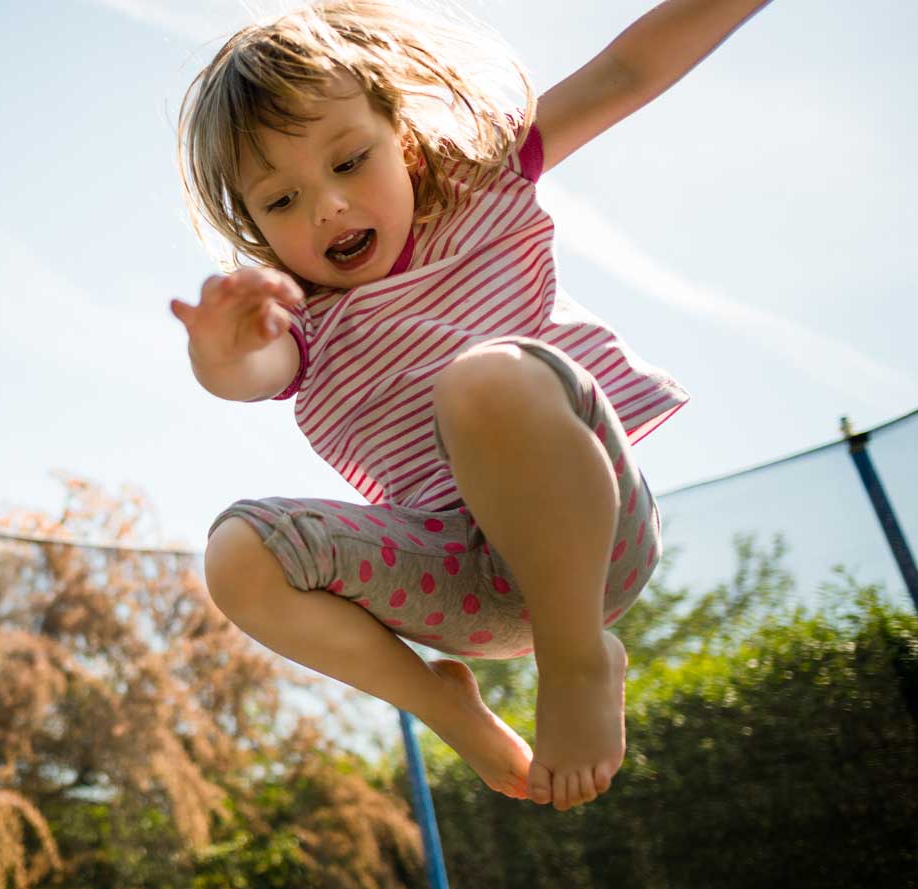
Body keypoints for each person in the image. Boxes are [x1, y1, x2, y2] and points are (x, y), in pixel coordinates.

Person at [170, 0, 768, 811]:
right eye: (282, 202)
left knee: (482, 380)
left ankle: (578, 656)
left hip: (590, 543)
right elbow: (248, 373)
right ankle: (447, 707)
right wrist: (221, 345)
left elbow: (626, 71)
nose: (327, 208)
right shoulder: (301, 319)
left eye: (349, 162)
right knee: (238, 553)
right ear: (258, 229)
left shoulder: (479, 189)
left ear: (405, 144)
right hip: (460, 586)